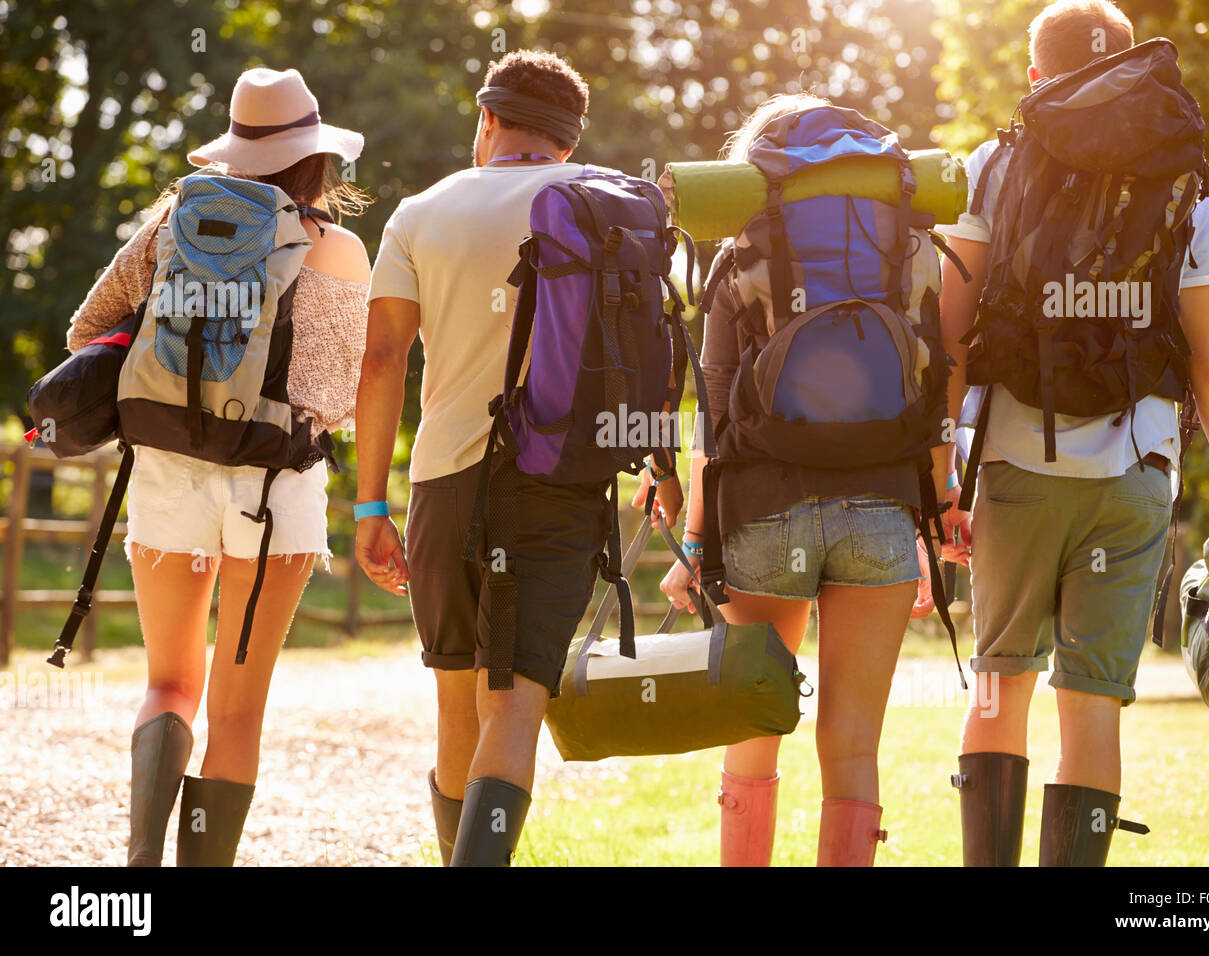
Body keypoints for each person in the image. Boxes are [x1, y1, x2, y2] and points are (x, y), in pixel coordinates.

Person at [942, 0, 1209, 866]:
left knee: (1000, 687)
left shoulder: (992, 164)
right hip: (1134, 470)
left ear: (1035, 74)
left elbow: (950, 339)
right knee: (1090, 703)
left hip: (1015, 462)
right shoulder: (1183, 178)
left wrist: (940, 473)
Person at [66, 67, 371, 866]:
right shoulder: (338, 250)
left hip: (167, 475)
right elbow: (334, 399)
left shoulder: (170, 223)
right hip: (276, 490)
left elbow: (85, 334)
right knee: (238, 716)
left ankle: (140, 864)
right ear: (316, 158)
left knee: (169, 687)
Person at [659, 92, 970, 867]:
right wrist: (933, 524)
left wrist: (695, 540)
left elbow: (715, 421)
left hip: (766, 512)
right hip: (882, 518)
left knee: (753, 730)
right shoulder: (911, 252)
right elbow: (936, 403)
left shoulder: (740, 258)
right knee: (853, 745)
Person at [354, 50, 633, 866]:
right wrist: (660, 468)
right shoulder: (604, 202)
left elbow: (381, 360)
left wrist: (371, 505)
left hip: (444, 480)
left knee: (455, 699)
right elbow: (645, 351)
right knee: (512, 706)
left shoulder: (420, 211)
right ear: (569, 138)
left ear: (487, 123)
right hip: (561, 480)